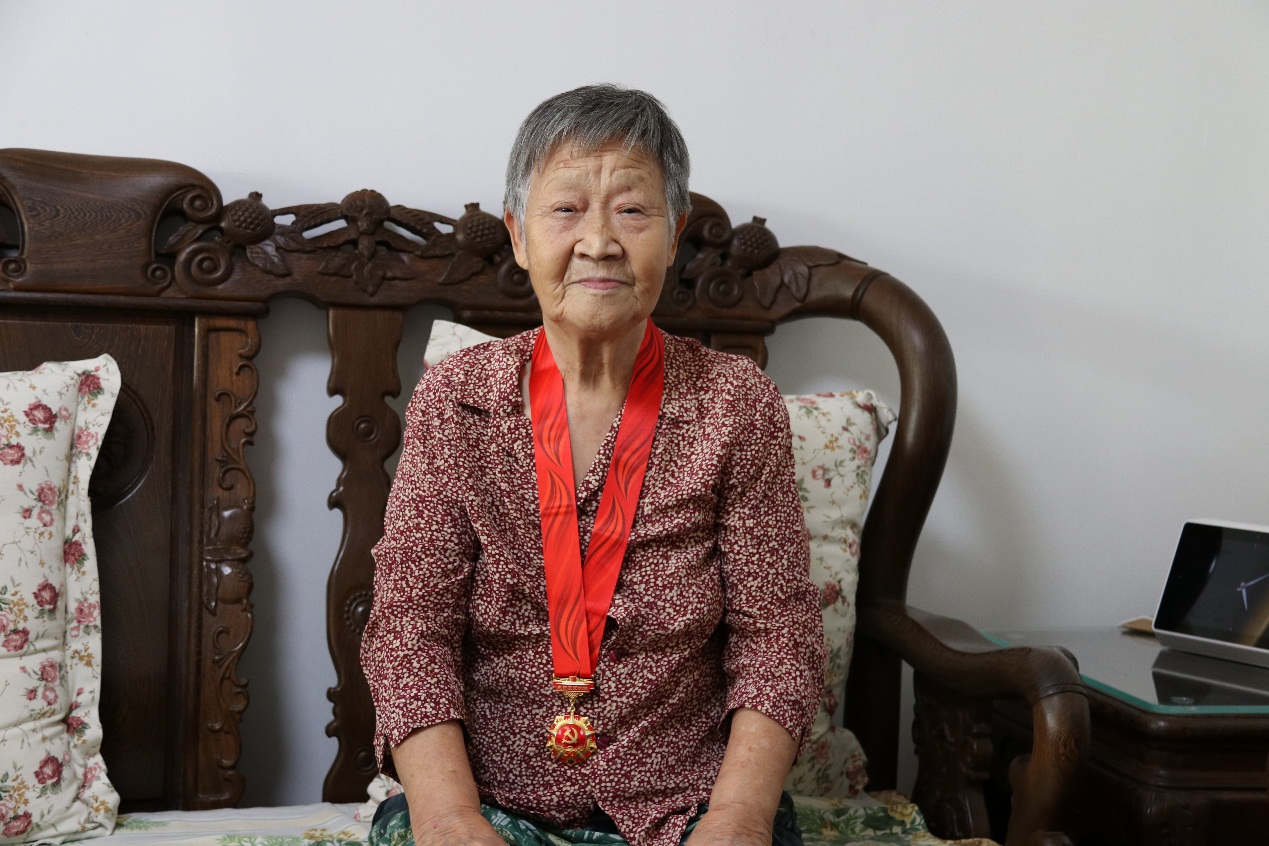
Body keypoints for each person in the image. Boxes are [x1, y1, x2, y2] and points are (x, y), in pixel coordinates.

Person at [361, 84, 825, 846]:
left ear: (673, 236)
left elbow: (776, 632)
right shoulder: (457, 400)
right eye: (566, 208)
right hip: (491, 801)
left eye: (632, 210)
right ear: (518, 235)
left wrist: (737, 817)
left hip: (688, 805)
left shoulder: (735, 404)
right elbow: (412, 624)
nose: (600, 241)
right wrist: (449, 818)